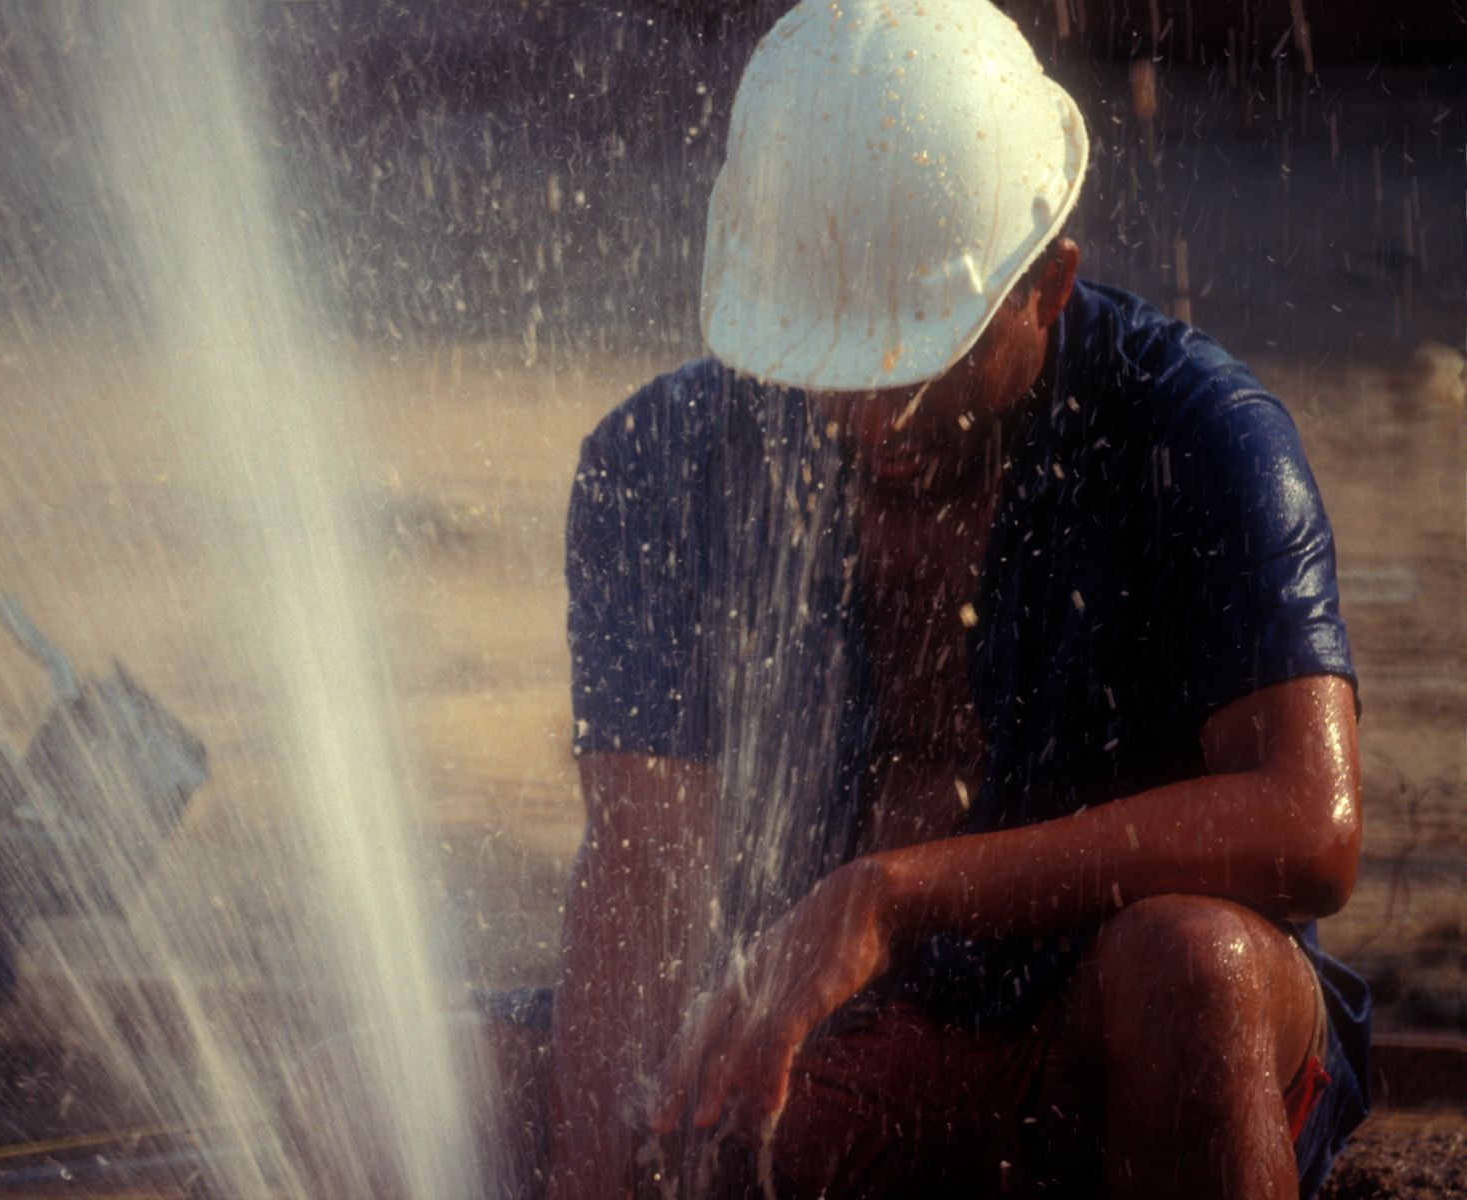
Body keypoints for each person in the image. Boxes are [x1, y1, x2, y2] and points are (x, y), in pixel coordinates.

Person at [546, 2, 1371, 1196]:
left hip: (1090, 1039)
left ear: (1048, 285)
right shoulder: (658, 463)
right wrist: (596, 1168)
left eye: (923, 364)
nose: (872, 420)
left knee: (1195, 970)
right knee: (382, 1078)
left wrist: (893, 896)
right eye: (832, 367)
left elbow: (1311, 827)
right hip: (812, 1046)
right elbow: (638, 873)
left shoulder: (1195, 435)